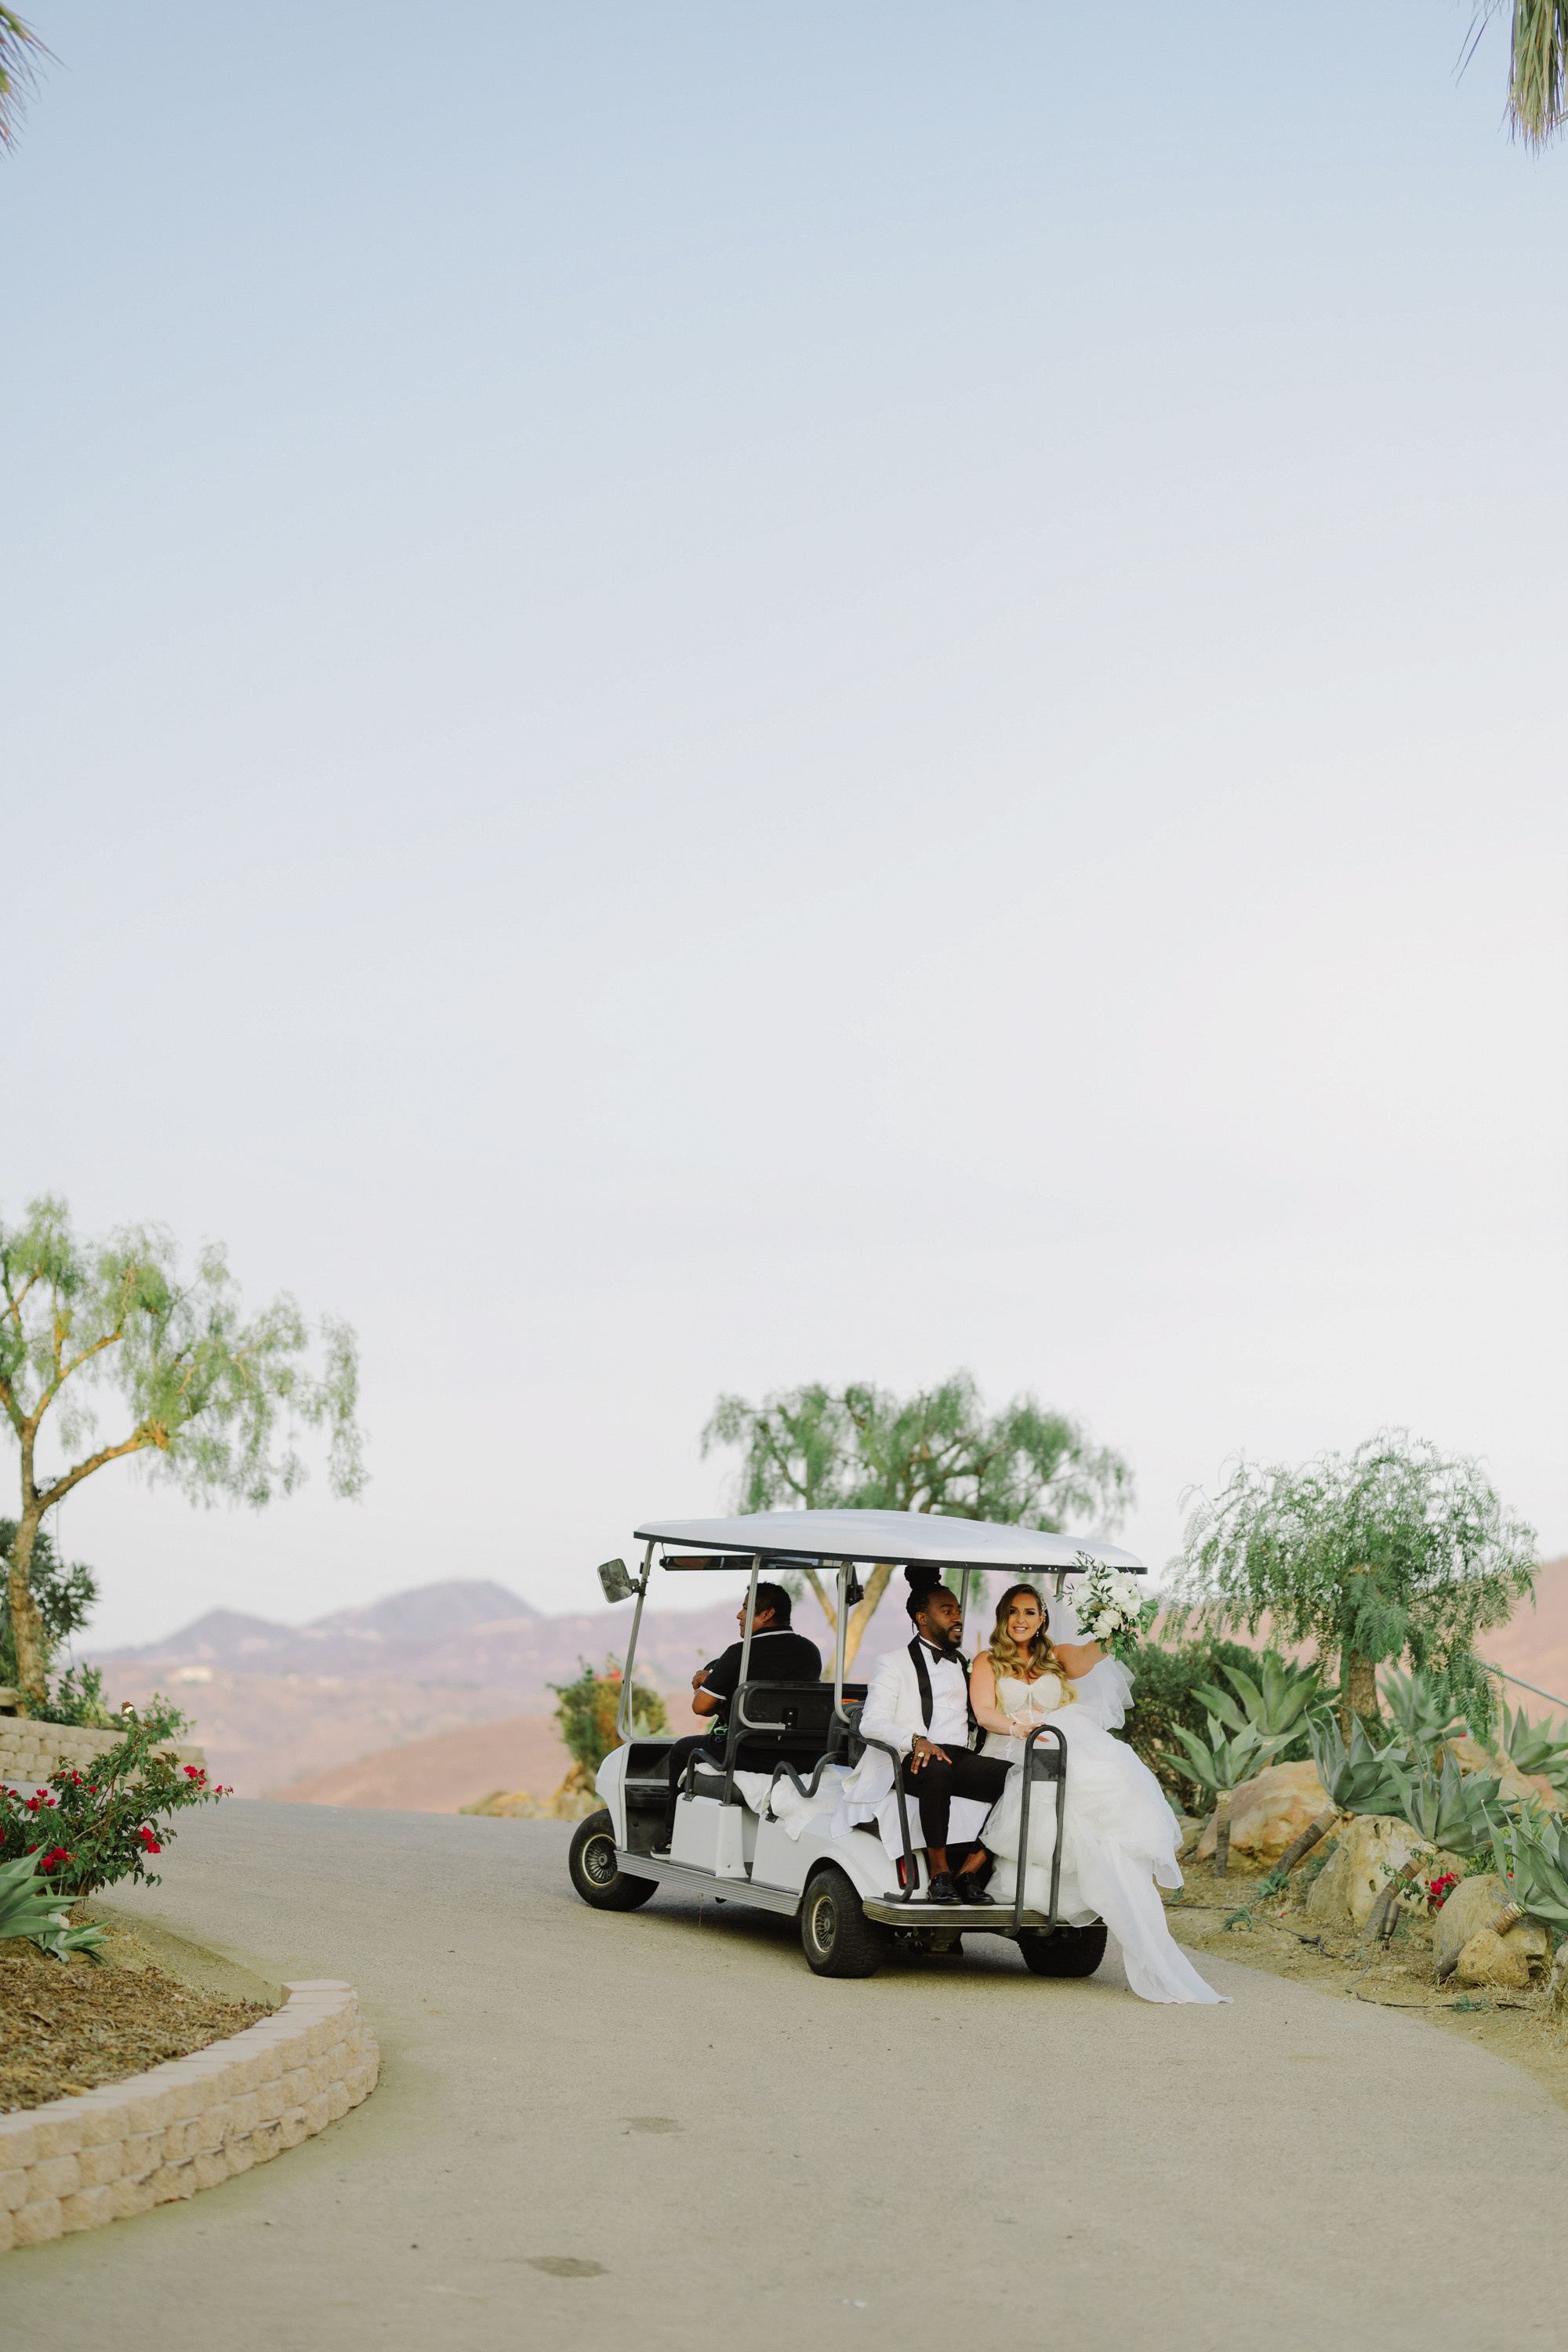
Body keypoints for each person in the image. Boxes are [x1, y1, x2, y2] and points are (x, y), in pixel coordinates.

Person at [971, 1582, 1228, 2005]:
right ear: (1003, 1616)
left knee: (1100, 1767)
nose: (1021, 1619)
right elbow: (984, 1712)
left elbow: (1098, 1652)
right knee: (1059, 1765)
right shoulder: (987, 1660)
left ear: (1042, 1619)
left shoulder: (1059, 1657)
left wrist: (1119, 1615)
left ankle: (1117, 1866)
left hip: (1054, 1744)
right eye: (1013, 1611)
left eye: (1030, 1612)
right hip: (1010, 1744)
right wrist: (1018, 1727)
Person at [833, 1566, 1011, 1903]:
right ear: (922, 1618)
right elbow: (871, 1722)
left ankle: (970, 1869)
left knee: (1018, 1777)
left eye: (958, 1610)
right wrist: (916, 1740)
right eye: (947, 1612)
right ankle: (939, 1872)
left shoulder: (970, 1661)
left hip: (959, 1756)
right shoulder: (892, 1662)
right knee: (936, 1766)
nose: (957, 1618)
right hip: (909, 1760)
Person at [655, 1582, 821, 1851]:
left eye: (746, 1608)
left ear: (767, 1614)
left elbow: (701, 1707)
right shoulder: (810, 1651)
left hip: (751, 1752)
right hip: (800, 1757)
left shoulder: (739, 1653)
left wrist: (709, 1681)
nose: (739, 1615)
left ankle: (673, 1838)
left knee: (681, 1750)